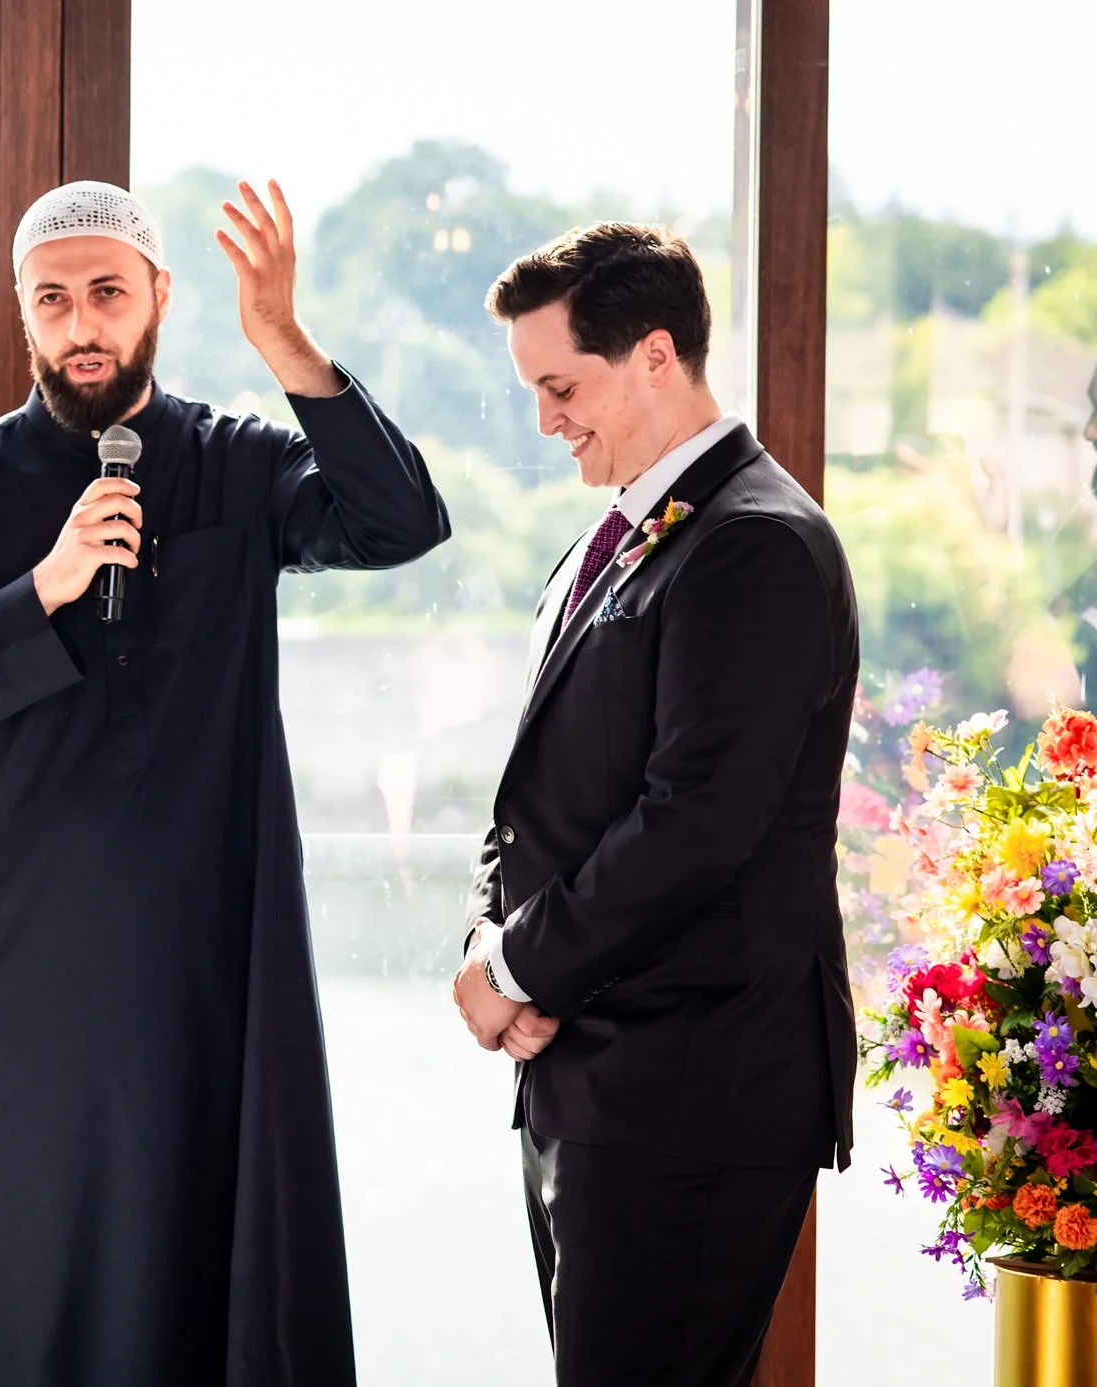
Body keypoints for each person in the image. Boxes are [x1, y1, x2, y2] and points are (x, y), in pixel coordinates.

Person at [0, 179, 450, 1386]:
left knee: (203, 1269)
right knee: (19, 1273)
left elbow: (398, 522)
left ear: (159, 298)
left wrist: (284, 341)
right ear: (21, 312)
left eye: (108, 294)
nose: (83, 324)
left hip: (202, 960)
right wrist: (44, 589)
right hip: (12, 978)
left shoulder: (236, 464)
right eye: (54, 299)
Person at [453, 224, 859, 1387]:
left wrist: (516, 970)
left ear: (655, 356)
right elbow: (539, 789)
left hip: (697, 1093)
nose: (546, 421)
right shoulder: (613, 538)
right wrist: (491, 944)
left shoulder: (757, 546)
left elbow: (695, 825)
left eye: (561, 386)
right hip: (596, 1077)